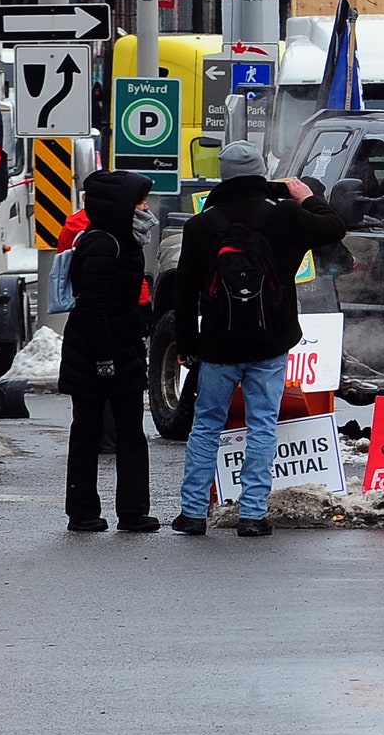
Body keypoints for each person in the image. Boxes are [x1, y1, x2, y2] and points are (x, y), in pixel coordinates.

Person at [172, 141, 346, 538]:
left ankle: (193, 512)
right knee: (263, 424)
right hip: (271, 340)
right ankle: (252, 514)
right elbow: (335, 227)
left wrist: (186, 343)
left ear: (223, 175)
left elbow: (184, 290)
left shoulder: (201, 225)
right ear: (261, 172)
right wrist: (309, 198)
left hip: (218, 344)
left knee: (206, 425)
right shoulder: (285, 215)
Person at [60, 170, 158, 533]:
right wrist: (104, 357)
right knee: (88, 430)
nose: (145, 207)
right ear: (119, 205)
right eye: (139, 201)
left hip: (120, 347)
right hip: (96, 351)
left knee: (131, 431)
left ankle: (132, 511)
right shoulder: (103, 243)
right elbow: (93, 306)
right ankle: (83, 512)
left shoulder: (121, 239)